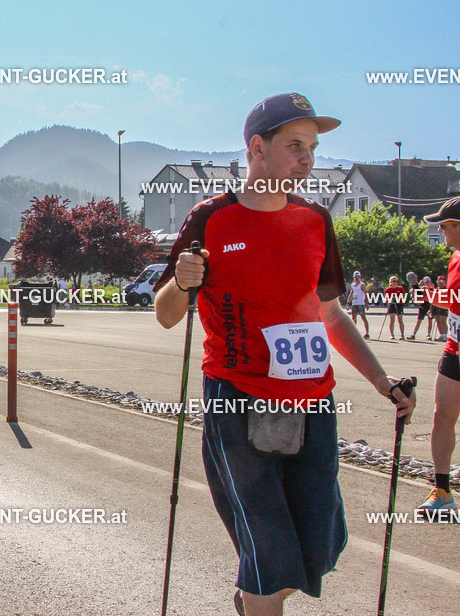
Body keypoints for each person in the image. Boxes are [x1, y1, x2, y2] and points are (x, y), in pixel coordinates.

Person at [154, 93, 415, 615]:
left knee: (320, 545)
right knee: (268, 550)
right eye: (294, 145)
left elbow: (332, 315)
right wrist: (183, 284)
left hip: (313, 401)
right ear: (257, 147)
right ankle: (260, 594)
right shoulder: (212, 218)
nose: (307, 159)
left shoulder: (316, 221)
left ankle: (252, 598)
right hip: (237, 398)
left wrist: (384, 382)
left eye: (312, 148)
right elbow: (166, 313)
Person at [418, 198, 460, 516]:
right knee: (441, 417)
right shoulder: (455, 257)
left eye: (444, 226)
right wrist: (435, 295)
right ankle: (442, 490)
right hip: (454, 351)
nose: (441, 231)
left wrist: (438, 296)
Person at [348, 271, 370, 338]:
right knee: (353, 318)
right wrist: (348, 302)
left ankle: (367, 333)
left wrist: (367, 303)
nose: (356, 278)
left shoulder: (362, 285)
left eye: (358, 277)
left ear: (360, 277)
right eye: (355, 277)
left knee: (363, 318)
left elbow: (366, 293)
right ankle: (354, 333)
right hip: (354, 303)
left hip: (361, 303)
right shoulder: (353, 285)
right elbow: (351, 294)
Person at [384, 275, 406, 340]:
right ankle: (392, 334)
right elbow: (386, 298)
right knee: (392, 320)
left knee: (400, 319)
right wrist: (391, 299)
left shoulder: (400, 288)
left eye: (396, 281)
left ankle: (402, 334)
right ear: (390, 282)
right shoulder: (388, 289)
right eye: (393, 281)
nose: (395, 282)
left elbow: (403, 296)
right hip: (392, 304)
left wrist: (397, 298)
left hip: (399, 304)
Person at [433, 275, 449, 341]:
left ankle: (445, 335)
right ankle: (442, 335)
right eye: (439, 281)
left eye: (442, 281)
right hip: (437, 306)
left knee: (443, 321)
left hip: (444, 306)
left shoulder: (446, 289)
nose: (440, 282)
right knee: (438, 320)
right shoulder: (436, 289)